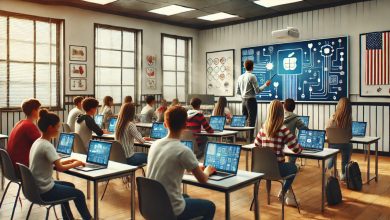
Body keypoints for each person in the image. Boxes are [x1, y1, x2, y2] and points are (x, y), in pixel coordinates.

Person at [147, 106, 216, 220]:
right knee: (210, 206)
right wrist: (207, 171)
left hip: (152, 205)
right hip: (170, 208)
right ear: (185, 125)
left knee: (186, 196)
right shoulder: (183, 150)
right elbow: (203, 180)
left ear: (165, 124)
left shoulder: (155, 144)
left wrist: (193, 167)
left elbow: (170, 165)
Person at [30, 109, 92, 220]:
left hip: (35, 187)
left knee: (70, 187)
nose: (58, 130)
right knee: (79, 194)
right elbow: (60, 168)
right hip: (45, 190)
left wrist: (68, 161)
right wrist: (76, 163)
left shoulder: (38, 142)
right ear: (50, 128)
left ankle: (68, 218)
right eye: (57, 127)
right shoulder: (47, 146)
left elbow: (54, 163)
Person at [254, 100, 302, 206]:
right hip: (277, 169)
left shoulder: (263, 128)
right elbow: (297, 150)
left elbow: (256, 145)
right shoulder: (283, 130)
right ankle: (283, 192)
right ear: (281, 112)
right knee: (293, 168)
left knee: (281, 169)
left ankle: (276, 196)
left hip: (262, 168)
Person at [237, 60, 271, 141]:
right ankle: (250, 140)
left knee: (244, 120)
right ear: (252, 67)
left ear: (244, 67)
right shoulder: (252, 76)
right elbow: (257, 91)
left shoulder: (240, 77)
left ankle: (246, 139)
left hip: (243, 101)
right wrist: (266, 85)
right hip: (251, 101)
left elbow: (238, 92)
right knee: (251, 121)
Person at [7, 99, 41, 168]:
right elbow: (43, 144)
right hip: (23, 169)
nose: (40, 112)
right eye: (39, 109)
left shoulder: (19, 123)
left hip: (12, 167)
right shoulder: (29, 126)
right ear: (34, 111)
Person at [326, 97, 352, 180]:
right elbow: (350, 136)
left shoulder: (331, 118)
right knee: (348, 147)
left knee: (331, 153)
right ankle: (344, 174)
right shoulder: (348, 120)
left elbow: (327, 130)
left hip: (333, 145)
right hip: (345, 144)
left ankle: (331, 167)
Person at [283, 98, 308, 164]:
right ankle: (291, 165)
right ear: (294, 107)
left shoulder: (279, 117)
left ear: (284, 107)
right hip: (291, 143)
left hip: (280, 143)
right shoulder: (296, 118)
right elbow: (304, 129)